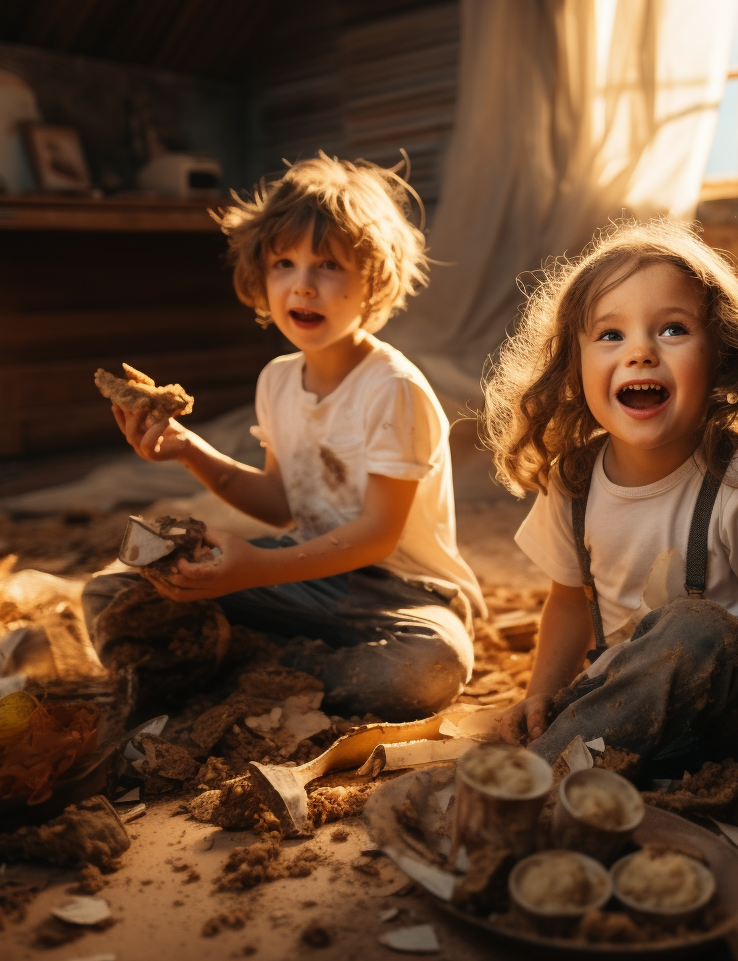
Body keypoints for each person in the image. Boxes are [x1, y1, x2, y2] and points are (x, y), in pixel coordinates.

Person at [83, 153, 483, 720]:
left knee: (427, 668)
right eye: (283, 265)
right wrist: (189, 449)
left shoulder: (392, 388)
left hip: (398, 595)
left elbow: (375, 535)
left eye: (327, 266)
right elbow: (281, 504)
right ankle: (259, 657)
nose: (302, 286)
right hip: (303, 574)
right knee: (108, 593)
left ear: (372, 279)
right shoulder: (276, 379)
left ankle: (247, 663)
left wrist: (257, 570)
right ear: (260, 275)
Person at [482, 219, 738, 816]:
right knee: (599, 683)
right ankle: (574, 762)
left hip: (737, 720)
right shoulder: (574, 482)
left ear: (722, 358)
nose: (640, 351)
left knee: (693, 629)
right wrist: (542, 694)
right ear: (572, 365)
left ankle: (533, 784)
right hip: (631, 714)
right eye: (610, 334)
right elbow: (572, 602)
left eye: (673, 329)